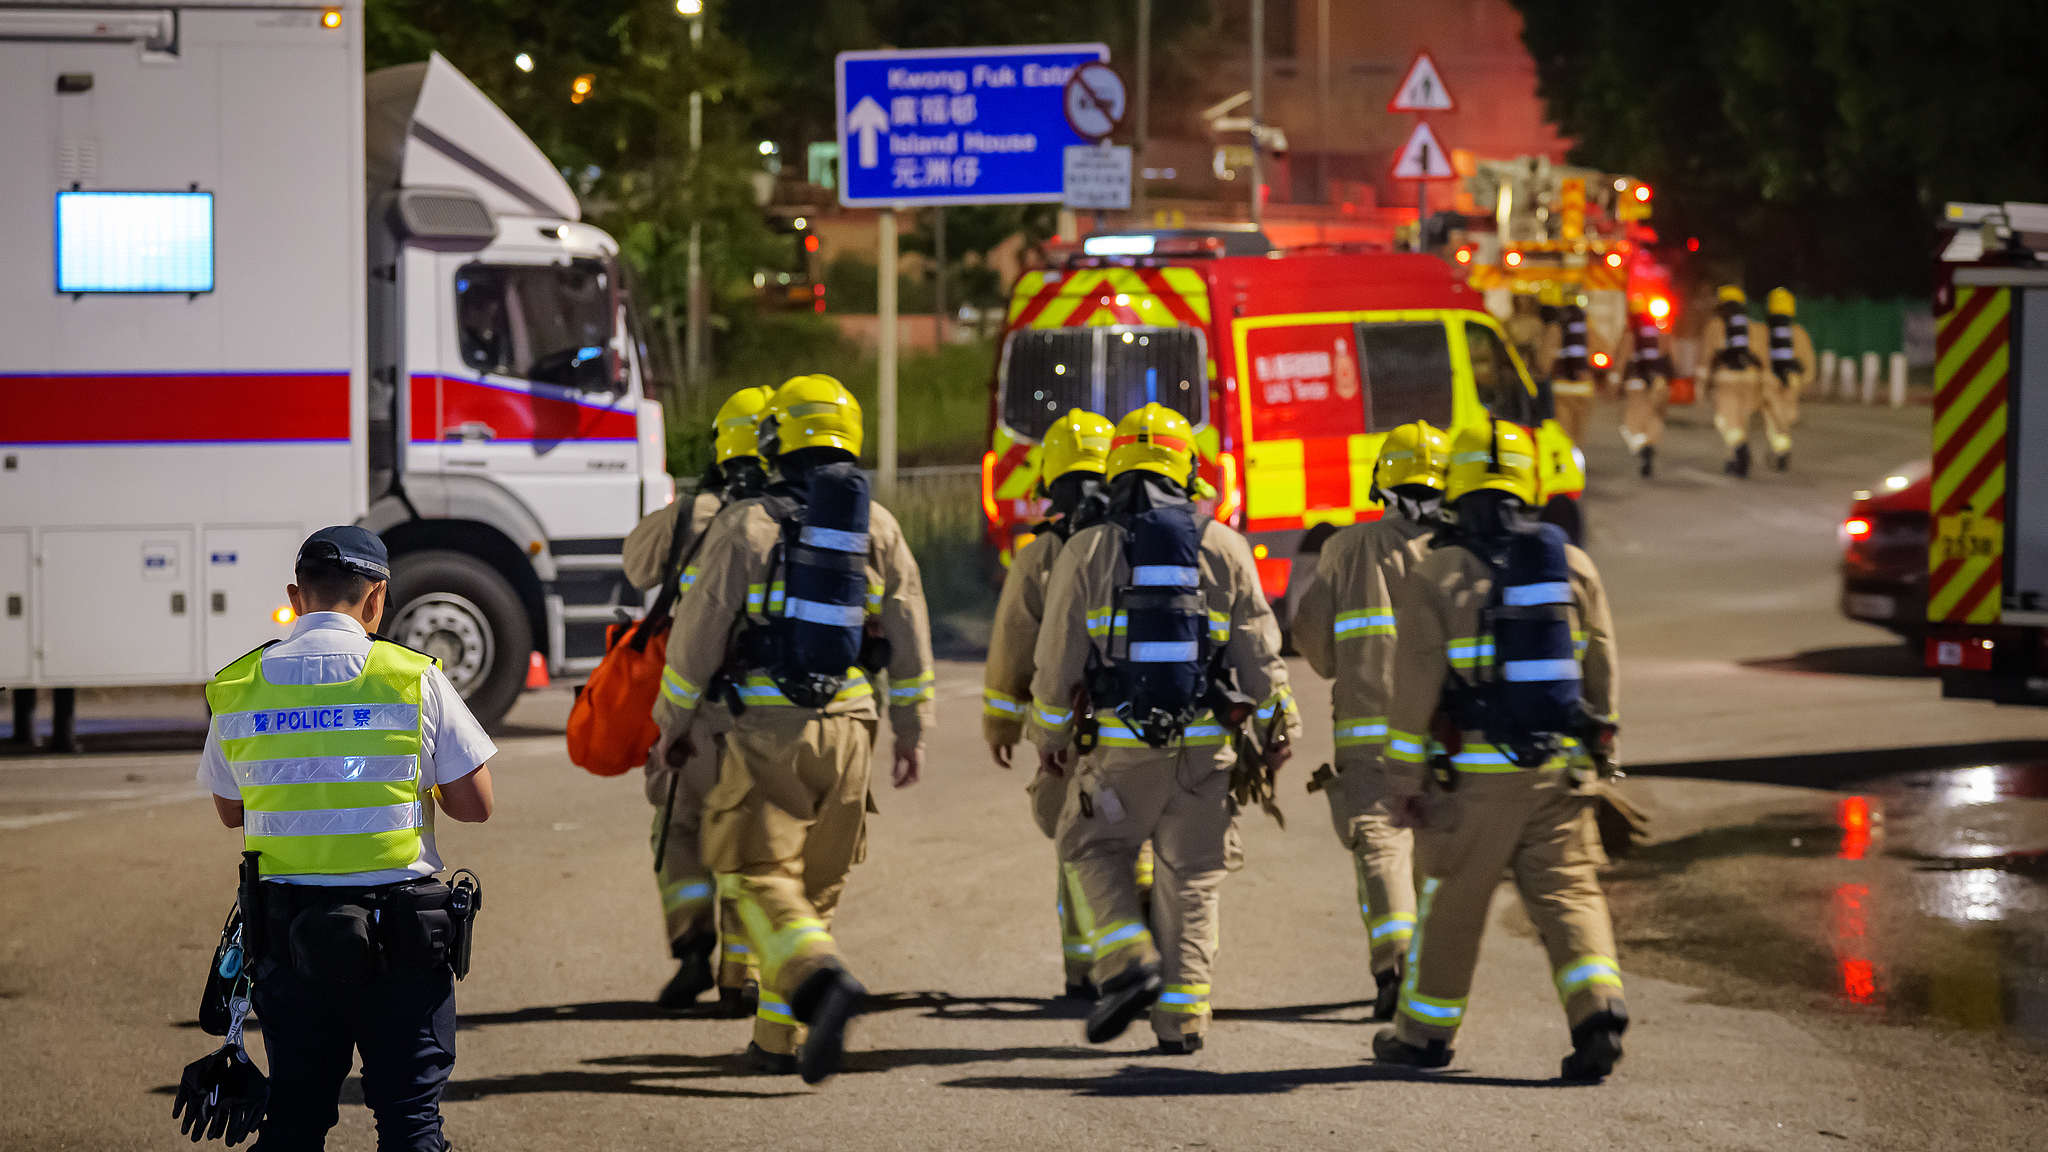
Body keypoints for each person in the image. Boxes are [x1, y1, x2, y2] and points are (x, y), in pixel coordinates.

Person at [653, 374, 936, 1084]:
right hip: (850, 727)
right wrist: (912, 730)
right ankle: (777, 1043)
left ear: (779, 442)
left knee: (754, 879)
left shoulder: (746, 524)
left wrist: (672, 725)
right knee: (814, 894)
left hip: (763, 732)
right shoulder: (878, 526)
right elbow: (909, 636)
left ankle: (826, 981)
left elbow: (695, 641)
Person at [198, 526, 496, 1150]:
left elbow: (232, 812)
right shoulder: (413, 677)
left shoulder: (238, 685)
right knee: (411, 1124)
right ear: (377, 598)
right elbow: (475, 806)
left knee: (296, 1122)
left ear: (295, 596)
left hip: (292, 941)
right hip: (404, 945)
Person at [1028, 403, 1300, 1055]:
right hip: (1205, 753)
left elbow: (1057, 659)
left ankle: (1125, 961)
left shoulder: (1089, 548)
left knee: (1089, 848)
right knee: (1194, 880)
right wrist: (1280, 723)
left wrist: (1051, 744)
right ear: (1189, 474)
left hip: (1119, 756)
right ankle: (1182, 1022)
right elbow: (1260, 654)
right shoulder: (1226, 547)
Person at [1373, 420, 1627, 1081]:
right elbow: (1600, 657)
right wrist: (1606, 746)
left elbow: (1414, 695)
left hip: (1473, 786)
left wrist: (1404, 779)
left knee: (1451, 904)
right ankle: (1597, 1007)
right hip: (1558, 772)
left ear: (1457, 487)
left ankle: (1424, 1036)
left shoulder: (1439, 575)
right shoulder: (1571, 565)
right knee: (1570, 894)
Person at [620, 386, 774, 1013]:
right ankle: (743, 975)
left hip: (696, 707)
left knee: (679, 829)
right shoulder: (787, 514)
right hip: (766, 713)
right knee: (752, 839)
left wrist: (687, 511)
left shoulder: (697, 512)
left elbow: (636, 566)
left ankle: (691, 950)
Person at [1289, 421, 1446, 1021]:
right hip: (1451, 741)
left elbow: (1317, 647)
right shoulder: (1465, 553)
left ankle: (1395, 960)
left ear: (1383, 483)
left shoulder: (1349, 549)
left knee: (1381, 846)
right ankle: (1437, 975)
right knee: (1444, 854)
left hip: (1373, 740)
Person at [983, 408, 1120, 998]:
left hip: (1073, 724)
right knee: (1134, 835)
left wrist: (1003, 725)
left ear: (1051, 482)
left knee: (1079, 838)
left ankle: (1087, 969)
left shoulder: (1044, 555)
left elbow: (1014, 644)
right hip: (1138, 723)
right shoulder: (1133, 545)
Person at [1704, 284, 1768, 477]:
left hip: (1726, 377)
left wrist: (1703, 383)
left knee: (1725, 420)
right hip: (1751, 378)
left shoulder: (1716, 325)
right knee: (1742, 420)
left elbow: (1707, 357)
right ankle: (1733, 460)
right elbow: (1763, 358)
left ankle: (1739, 449)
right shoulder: (1755, 327)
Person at [1759, 288, 1816, 472]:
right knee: (1787, 415)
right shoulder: (1799, 333)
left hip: (1770, 379)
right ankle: (1782, 446)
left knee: (1773, 417)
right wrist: (1802, 380)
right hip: (1792, 380)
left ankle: (1781, 447)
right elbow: (1809, 364)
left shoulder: (1764, 332)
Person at [1618, 300, 1674, 477]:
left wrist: (1615, 379)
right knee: (1654, 416)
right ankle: (1650, 443)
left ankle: (1642, 447)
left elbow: (1622, 356)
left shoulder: (1630, 332)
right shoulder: (1659, 330)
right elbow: (1669, 355)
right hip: (1658, 381)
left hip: (1637, 381)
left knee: (1632, 420)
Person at [1537, 283, 1595, 447]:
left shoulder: (1552, 326)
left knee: (1564, 434)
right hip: (1581, 387)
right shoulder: (1583, 321)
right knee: (1576, 436)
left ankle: (1567, 465)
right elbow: (1596, 347)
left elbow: (1544, 363)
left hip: (1560, 386)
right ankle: (1574, 463)